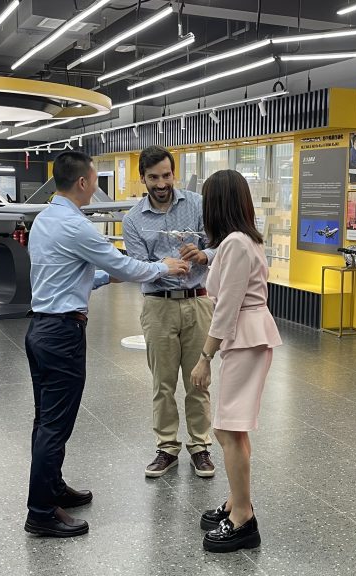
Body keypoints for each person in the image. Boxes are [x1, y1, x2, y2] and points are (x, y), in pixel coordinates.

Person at [23, 150, 189, 538]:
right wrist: (163, 267)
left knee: (45, 419)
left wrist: (100, 279)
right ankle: (41, 511)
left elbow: (63, 274)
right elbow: (126, 264)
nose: (97, 183)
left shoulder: (47, 218)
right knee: (54, 425)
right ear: (83, 182)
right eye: (95, 177)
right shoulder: (76, 225)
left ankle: (52, 488)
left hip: (42, 329)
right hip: (61, 334)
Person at [191, 170, 282, 553]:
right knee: (233, 428)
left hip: (244, 336)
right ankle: (235, 501)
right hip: (249, 336)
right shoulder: (246, 240)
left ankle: (243, 517)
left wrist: (204, 357)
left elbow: (226, 307)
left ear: (217, 205)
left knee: (229, 429)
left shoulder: (234, 244)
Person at [122, 146, 218, 479]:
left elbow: (223, 244)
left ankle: (200, 447)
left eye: (166, 175)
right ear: (143, 178)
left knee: (199, 380)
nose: (161, 183)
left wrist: (204, 254)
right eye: (153, 177)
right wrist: (162, 267)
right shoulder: (133, 219)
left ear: (173, 173)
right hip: (158, 304)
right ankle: (166, 448)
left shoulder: (198, 205)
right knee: (163, 382)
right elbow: (135, 266)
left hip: (198, 301)